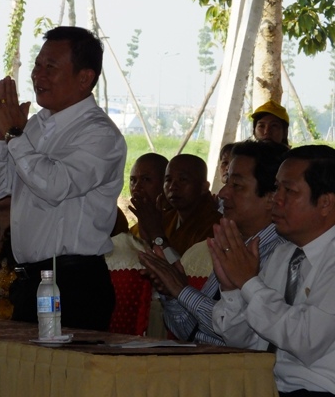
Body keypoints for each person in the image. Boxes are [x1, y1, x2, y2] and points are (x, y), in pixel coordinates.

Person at [0, 26, 127, 331]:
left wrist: (14, 135)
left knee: (62, 364)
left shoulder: (100, 134)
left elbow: (54, 186)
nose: (37, 75)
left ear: (84, 78)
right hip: (30, 281)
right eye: (37, 65)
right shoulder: (33, 126)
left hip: (74, 284)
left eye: (50, 67)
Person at [212, 145, 335, 395]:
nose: (276, 199)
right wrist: (232, 289)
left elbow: (305, 340)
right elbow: (246, 339)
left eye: (289, 191)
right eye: (277, 187)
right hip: (267, 384)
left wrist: (249, 283)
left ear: (325, 203)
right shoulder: (284, 253)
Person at [139, 140, 287, 345]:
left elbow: (242, 335)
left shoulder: (281, 253)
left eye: (236, 186)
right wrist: (172, 294)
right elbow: (189, 330)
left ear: (271, 198)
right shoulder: (234, 245)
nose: (223, 193)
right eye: (226, 182)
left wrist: (182, 290)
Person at [131, 154, 221, 258]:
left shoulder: (215, 228)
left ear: (204, 187)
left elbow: (177, 265)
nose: (172, 187)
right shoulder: (167, 217)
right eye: (168, 180)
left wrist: (157, 235)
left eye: (182, 179)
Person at [127, 153, 169, 238]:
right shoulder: (133, 232)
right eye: (133, 180)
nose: (136, 187)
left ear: (165, 183)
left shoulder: (177, 223)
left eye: (145, 179)